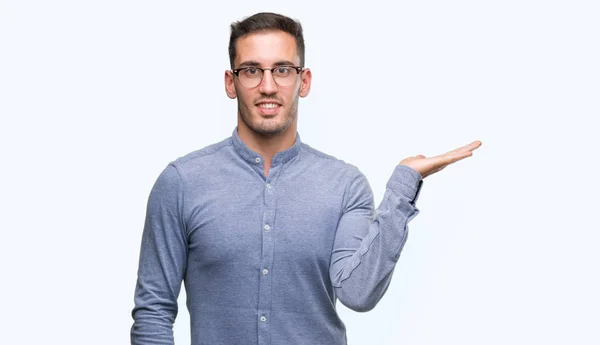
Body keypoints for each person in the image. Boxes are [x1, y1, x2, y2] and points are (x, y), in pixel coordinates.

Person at [130, 12, 482, 345]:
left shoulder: (344, 185)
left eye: (282, 69)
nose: (268, 86)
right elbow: (153, 310)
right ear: (230, 82)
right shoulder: (181, 182)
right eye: (252, 70)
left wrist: (403, 185)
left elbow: (358, 294)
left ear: (304, 80)